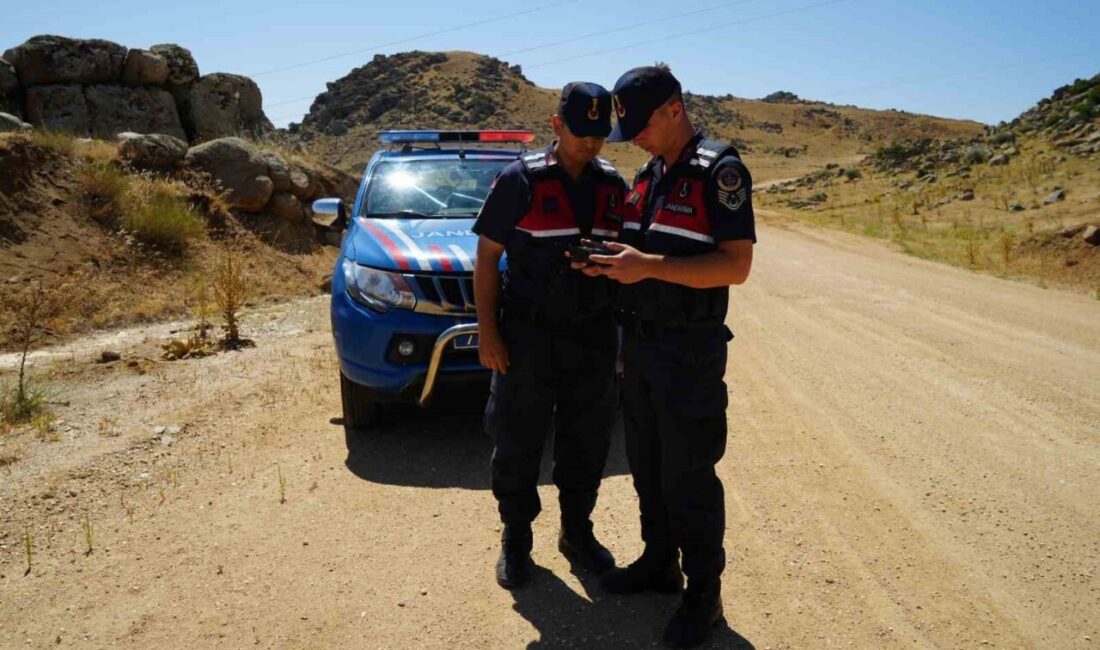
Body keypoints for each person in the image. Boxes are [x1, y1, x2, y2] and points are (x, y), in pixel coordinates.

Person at [579, 65, 755, 648]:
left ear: (674, 109)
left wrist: (649, 268)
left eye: (643, 128)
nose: (638, 143)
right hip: (641, 348)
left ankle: (703, 594)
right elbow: (641, 252)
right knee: (649, 470)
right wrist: (606, 261)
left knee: (689, 476)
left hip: (689, 355)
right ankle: (659, 563)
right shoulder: (649, 176)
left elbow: (736, 265)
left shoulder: (718, 172)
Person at [473, 81, 629, 590]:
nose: (591, 143)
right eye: (581, 132)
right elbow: (486, 259)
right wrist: (489, 332)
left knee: (587, 443)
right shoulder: (520, 180)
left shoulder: (612, 185)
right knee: (517, 442)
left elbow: (629, 259)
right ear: (557, 125)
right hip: (527, 336)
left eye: (599, 134)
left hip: (593, 336)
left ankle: (576, 532)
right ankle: (516, 538)